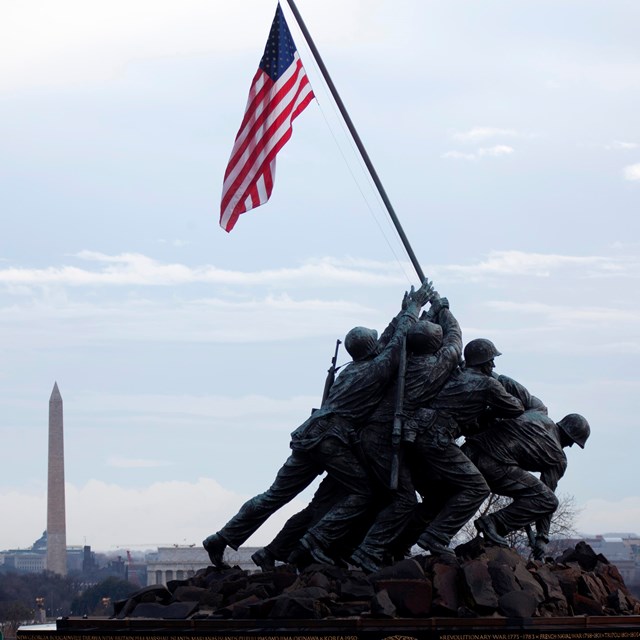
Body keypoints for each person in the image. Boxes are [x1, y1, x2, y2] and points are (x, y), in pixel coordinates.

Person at [202, 280, 434, 567]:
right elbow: (396, 347)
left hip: (311, 433)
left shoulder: (353, 369)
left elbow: (387, 342)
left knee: (274, 495)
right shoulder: (374, 370)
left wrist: (402, 314)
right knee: (363, 491)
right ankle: (315, 543)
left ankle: (222, 537)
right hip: (332, 440)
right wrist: (414, 307)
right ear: (371, 349)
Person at [348, 293, 463, 572]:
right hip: (383, 437)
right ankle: (369, 551)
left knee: (392, 496)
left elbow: (397, 338)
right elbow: (455, 342)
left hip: (369, 434)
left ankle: (379, 548)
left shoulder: (396, 360)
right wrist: (443, 310)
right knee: (404, 500)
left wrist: (418, 313)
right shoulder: (435, 367)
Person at [405, 338, 525, 557]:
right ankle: (436, 537)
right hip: (437, 440)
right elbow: (516, 407)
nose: (493, 366)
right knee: (478, 488)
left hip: (419, 435)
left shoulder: (455, 374)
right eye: (491, 361)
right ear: (484, 363)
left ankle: (401, 541)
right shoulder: (487, 384)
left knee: (440, 495)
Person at [463, 404, 590, 559]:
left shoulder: (538, 414)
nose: (570, 446)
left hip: (469, 451)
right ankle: (493, 523)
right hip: (492, 465)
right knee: (548, 501)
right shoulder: (558, 457)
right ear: (570, 438)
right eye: (573, 442)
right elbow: (546, 498)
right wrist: (542, 538)